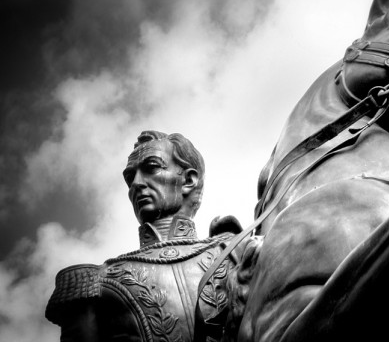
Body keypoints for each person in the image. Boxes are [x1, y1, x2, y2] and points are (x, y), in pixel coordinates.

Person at [46, 130, 242, 342]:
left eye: (151, 168)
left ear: (188, 180)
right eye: (130, 178)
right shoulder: (94, 282)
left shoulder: (237, 253)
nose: (136, 184)